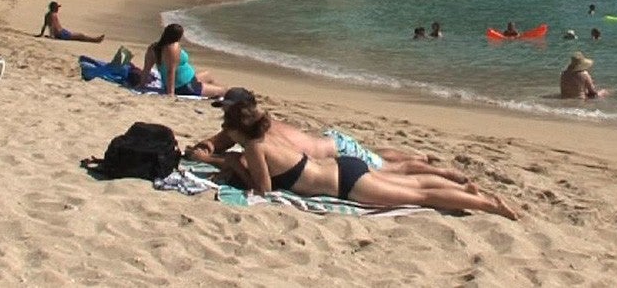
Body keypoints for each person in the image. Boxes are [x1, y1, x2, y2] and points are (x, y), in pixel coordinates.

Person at [208, 97, 517, 219]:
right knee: (414, 179)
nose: (225, 132)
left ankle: (490, 205)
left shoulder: (253, 148)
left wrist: (236, 165)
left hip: (345, 182)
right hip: (343, 165)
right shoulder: (268, 134)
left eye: (227, 127)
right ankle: (465, 191)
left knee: (420, 194)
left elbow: (263, 190)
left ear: (237, 130)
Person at [187, 88, 467, 183]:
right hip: (332, 143)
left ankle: (442, 172)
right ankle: (419, 154)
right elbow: (220, 140)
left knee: (393, 168)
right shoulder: (254, 124)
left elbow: (250, 163)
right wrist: (207, 147)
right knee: (376, 154)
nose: (224, 116)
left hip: (337, 152)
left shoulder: (257, 134)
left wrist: (213, 160)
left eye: (227, 109)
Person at [149, 23, 225, 98]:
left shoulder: (154, 47)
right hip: (185, 86)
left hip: (188, 80)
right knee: (224, 91)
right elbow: (170, 71)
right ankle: (217, 92)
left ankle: (212, 91)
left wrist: (141, 84)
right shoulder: (172, 48)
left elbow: (147, 68)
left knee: (208, 75)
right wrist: (170, 93)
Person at [36, 1, 103, 43]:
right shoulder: (52, 15)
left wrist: (41, 34)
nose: (58, 9)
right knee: (80, 36)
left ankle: (94, 39)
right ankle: (95, 40)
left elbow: (45, 25)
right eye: (57, 8)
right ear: (54, 8)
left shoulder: (48, 14)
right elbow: (52, 26)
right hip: (61, 34)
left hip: (61, 32)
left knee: (79, 36)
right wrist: (52, 36)